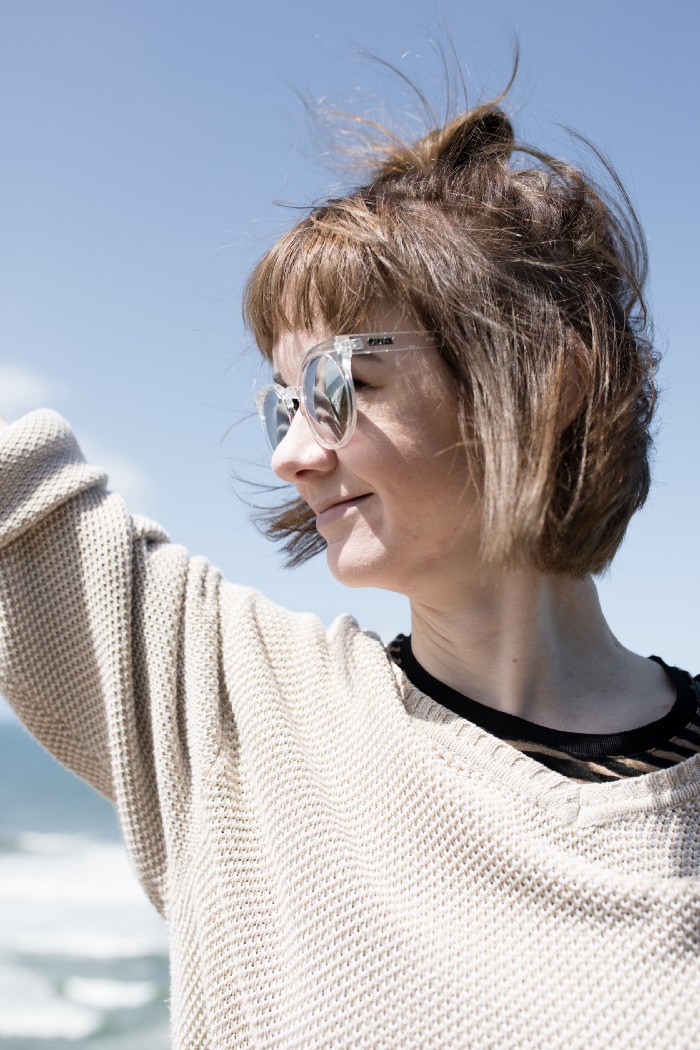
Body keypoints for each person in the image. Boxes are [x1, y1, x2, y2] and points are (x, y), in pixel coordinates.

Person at [1, 79, 699, 1050]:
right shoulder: (225, 702)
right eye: (283, 403)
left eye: (340, 384)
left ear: (548, 384)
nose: (292, 452)